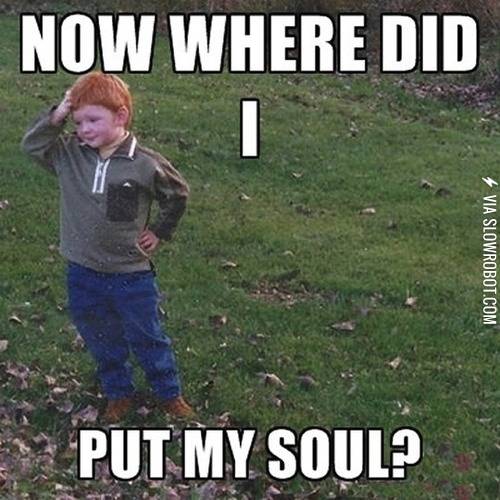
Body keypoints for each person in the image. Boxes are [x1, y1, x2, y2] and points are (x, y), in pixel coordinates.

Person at [21, 72, 194, 422]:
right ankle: (118, 392)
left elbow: (177, 194)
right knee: (101, 336)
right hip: (82, 271)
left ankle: (168, 392)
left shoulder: (145, 163)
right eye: (77, 122)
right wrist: (56, 115)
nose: (83, 130)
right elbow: (32, 146)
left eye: (93, 120)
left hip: (131, 274)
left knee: (147, 335)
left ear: (121, 116)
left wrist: (159, 231)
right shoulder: (69, 155)